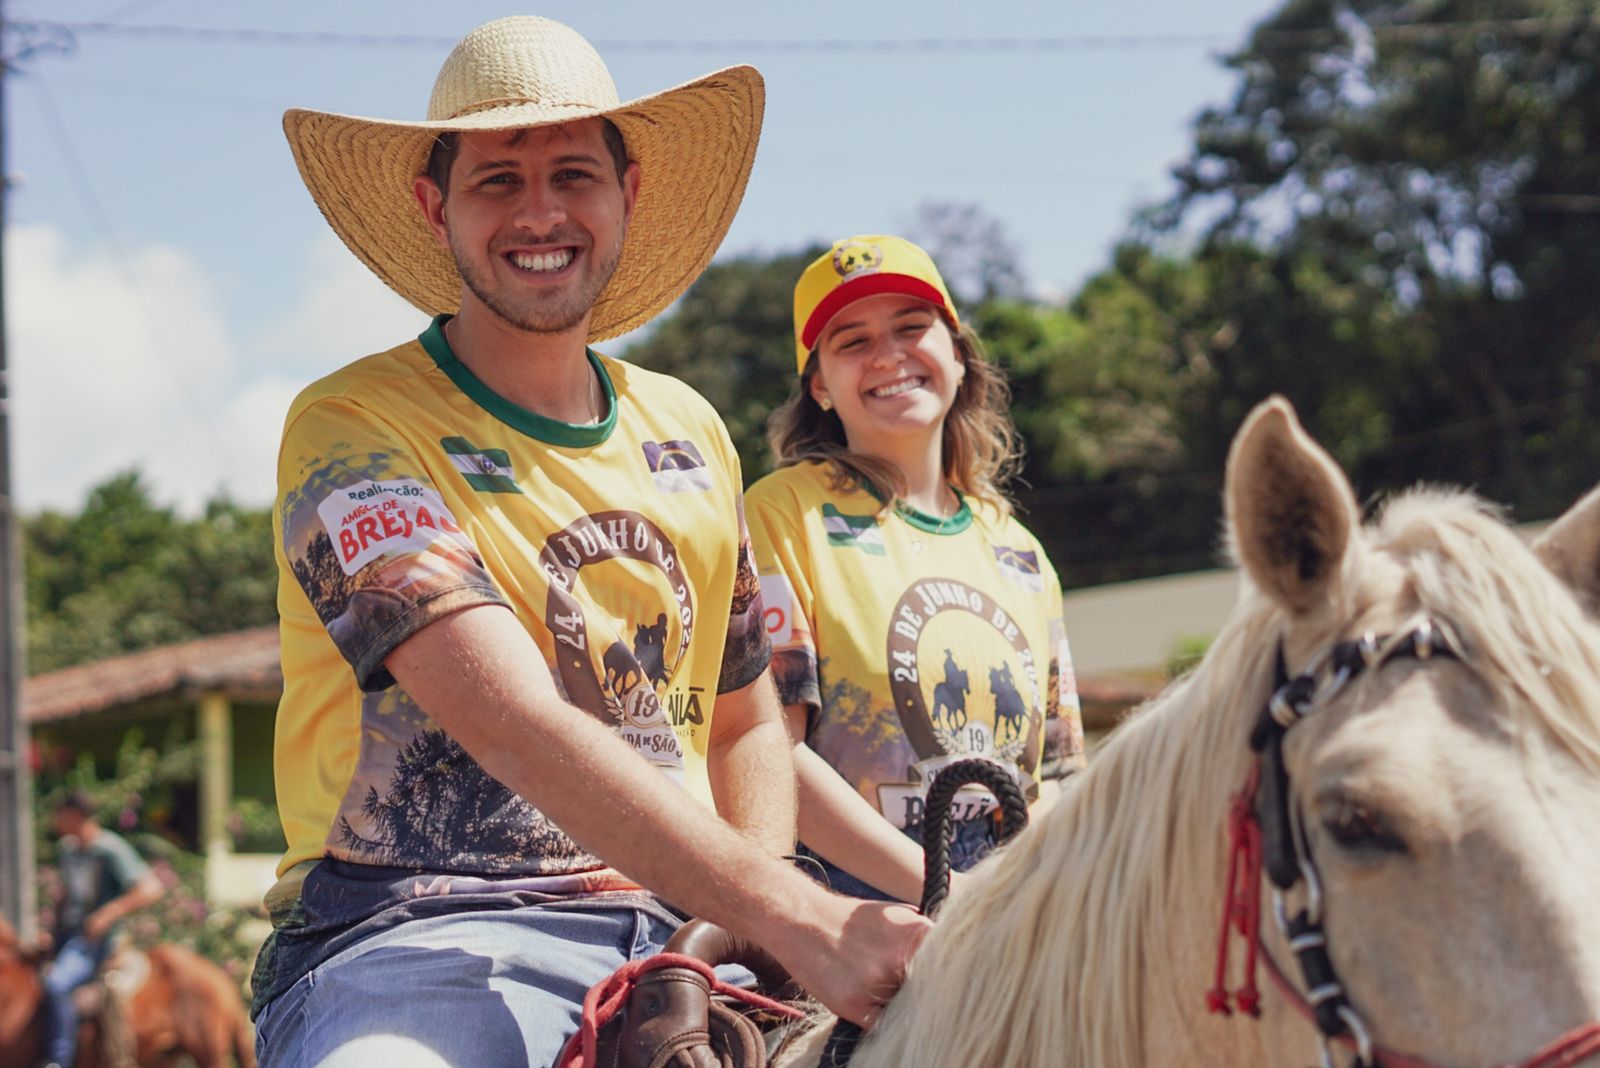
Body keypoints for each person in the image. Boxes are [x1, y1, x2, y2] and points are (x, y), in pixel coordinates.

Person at [253, 17, 928, 1068]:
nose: (541, 213)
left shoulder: (691, 430)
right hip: (420, 935)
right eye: (496, 182)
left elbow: (746, 723)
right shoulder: (351, 424)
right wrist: (804, 916)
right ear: (435, 208)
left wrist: (736, 941)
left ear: (629, 194)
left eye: (574, 172)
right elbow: (507, 717)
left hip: (684, 936)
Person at [745, 235, 1088, 904]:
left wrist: (1007, 904)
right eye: (852, 342)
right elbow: (768, 756)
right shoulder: (781, 515)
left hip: (1008, 920)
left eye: (911, 328)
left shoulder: (1021, 554)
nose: (889, 356)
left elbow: (1059, 777)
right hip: (852, 923)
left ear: (958, 357)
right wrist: (947, 898)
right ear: (819, 385)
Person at [40, 790, 164, 1068]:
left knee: (58, 984)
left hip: (97, 941)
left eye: (59, 815)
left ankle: (58, 1061)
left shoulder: (109, 848)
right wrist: (50, 930)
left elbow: (151, 888)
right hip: (68, 936)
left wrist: (110, 912)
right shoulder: (67, 850)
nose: (55, 821)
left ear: (74, 816)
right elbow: (67, 896)